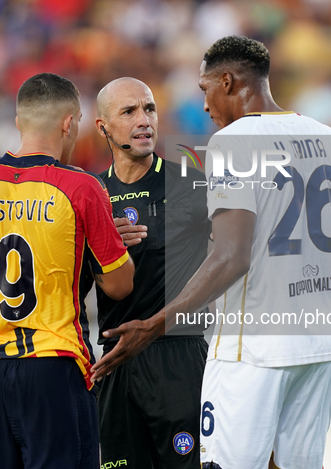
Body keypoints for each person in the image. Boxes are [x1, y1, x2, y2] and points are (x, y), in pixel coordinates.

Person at [91, 36, 331, 469]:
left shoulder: (232, 143)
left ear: (227, 82)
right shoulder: (329, 138)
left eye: (205, 90)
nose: (205, 105)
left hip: (250, 349)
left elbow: (231, 257)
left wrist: (155, 325)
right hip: (318, 346)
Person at [0, 73, 134, 469]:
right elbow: (120, 286)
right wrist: (112, 241)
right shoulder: (82, 187)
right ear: (69, 123)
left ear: (19, 122)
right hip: (54, 366)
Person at [92, 77, 210, 468]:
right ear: (102, 126)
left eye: (150, 109)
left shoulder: (191, 183)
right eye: (128, 111)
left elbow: (236, 257)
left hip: (179, 358)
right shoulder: (90, 196)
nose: (144, 120)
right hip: (114, 363)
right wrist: (102, 249)